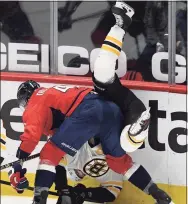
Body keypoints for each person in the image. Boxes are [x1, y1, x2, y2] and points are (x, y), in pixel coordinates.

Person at [9, 2, 151, 203]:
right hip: (105, 109)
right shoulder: (72, 97)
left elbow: (37, 142)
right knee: (103, 72)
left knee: (127, 141)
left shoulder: (42, 103)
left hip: (119, 111)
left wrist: (19, 165)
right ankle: (119, 25)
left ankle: (136, 132)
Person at [54, 137, 174, 204]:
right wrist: (84, 194)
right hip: (115, 151)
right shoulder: (109, 178)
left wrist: (62, 188)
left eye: (78, 173)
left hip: (109, 139)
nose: (81, 174)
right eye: (81, 175)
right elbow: (110, 194)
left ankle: (158, 193)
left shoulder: (72, 156)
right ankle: (158, 194)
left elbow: (57, 166)